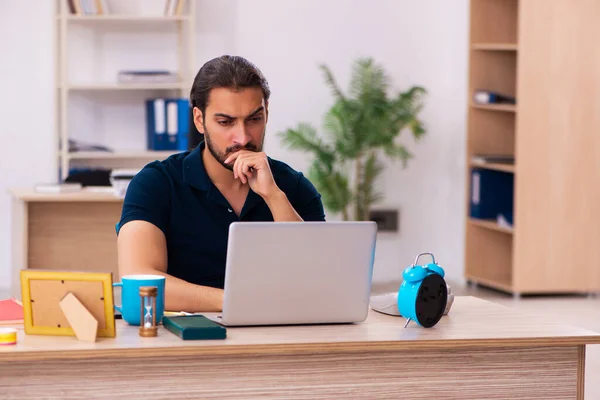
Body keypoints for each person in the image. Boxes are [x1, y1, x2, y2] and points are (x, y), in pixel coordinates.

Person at [116, 55, 326, 312]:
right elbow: (138, 280)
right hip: (186, 340)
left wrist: (273, 196)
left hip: (278, 336)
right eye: (226, 122)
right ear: (199, 119)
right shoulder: (156, 183)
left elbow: (318, 280)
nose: (243, 137)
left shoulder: (292, 187)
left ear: (267, 113)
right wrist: (238, 302)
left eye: (254, 119)